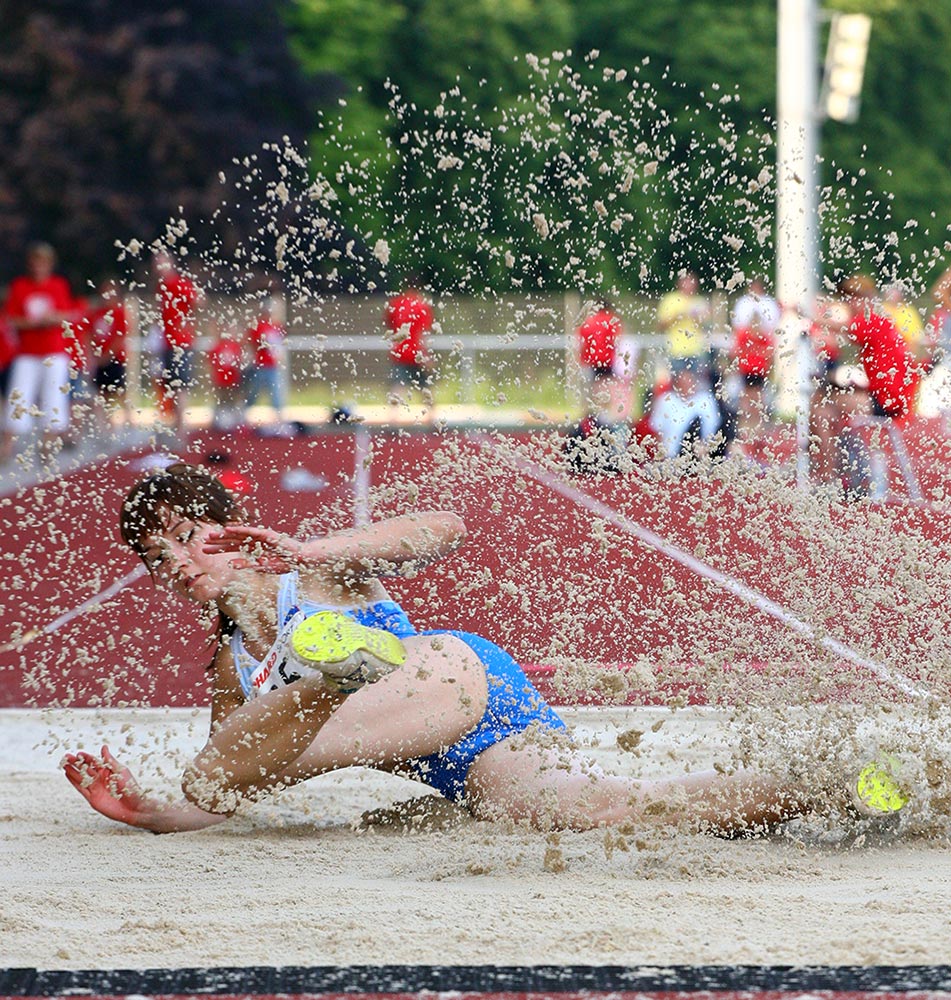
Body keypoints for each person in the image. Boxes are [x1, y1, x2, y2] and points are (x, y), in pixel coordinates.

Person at [61, 463, 900, 836]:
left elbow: (440, 528)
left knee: (231, 757)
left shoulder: (308, 573)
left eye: (185, 539)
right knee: (617, 809)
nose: (173, 563)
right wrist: (147, 815)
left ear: (227, 528)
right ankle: (837, 787)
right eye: (155, 557)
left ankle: (334, 673)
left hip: (458, 687)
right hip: (455, 762)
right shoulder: (226, 666)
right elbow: (232, 790)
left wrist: (317, 550)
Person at [0, 243, 78, 463]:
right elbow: (11, 318)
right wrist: (33, 323)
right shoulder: (20, 286)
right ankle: (7, 446)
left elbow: (66, 314)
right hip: (27, 352)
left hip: (53, 351)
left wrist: (51, 319)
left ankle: (47, 445)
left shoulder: (58, 285)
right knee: (18, 396)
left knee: (53, 397)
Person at [154, 251, 203, 440]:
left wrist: (187, 320)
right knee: (172, 386)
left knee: (180, 385)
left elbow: (199, 300)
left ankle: (182, 429)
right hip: (168, 342)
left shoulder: (178, 283)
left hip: (180, 343)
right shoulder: (163, 286)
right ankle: (177, 425)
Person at [730, 279, 780, 456]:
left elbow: (769, 351)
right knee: (747, 398)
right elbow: (737, 350)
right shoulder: (745, 334)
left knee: (757, 399)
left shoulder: (762, 335)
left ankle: (757, 429)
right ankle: (746, 428)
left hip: (758, 369)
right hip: (748, 369)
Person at [647, 361, 724, 464]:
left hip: (700, 457)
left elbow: (715, 429)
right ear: (676, 383)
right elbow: (657, 431)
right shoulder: (666, 400)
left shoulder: (706, 400)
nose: (686, 385)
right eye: (682, 381)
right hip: (671, 459)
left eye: (689, 381)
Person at [384, 280, 435, 418]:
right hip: (417, 352)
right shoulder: (422, 306)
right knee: (425, 386)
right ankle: (432, 417)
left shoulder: (396, 303)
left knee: (398, 385)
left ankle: (393, 418)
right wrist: (426, 355)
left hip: (400, 351)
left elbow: (390, 326)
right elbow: (423, 333)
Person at [87, 278, 132, 429]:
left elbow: (120, 337)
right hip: (100, 359)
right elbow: (89, 335)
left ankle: (128, 421)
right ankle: (107, 423)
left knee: (120, 391)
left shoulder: (119, 312)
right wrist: (94, 356)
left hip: (115, 358)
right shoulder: (96, 313)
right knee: (102, 393)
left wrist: (107, 356)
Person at [656, 271, 710, 375]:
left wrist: (696, 317)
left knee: (696, 382)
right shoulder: (670, 300)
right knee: (677, 381)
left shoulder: (700, 301)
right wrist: (678, 316)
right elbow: (661, 325)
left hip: (696, 349)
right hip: (676, 350)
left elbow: (707, 324)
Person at [244, 295, 287, 423]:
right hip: (260, 365)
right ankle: (244, 415)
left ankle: (279, 418)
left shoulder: (277, 326)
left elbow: (279, 345)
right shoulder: (259, 326)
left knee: (276, 392)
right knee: (253, 392)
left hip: (272, 365)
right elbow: (252, 344)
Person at [207, 325, 246, 431]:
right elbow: (212, 364)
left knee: (234, 400)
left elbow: (239, 363)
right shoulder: (217, 346)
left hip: (233, 379)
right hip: (221, 379)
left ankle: (236, 421)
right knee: (221, 401)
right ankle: (218, 421)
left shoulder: (235, 346)